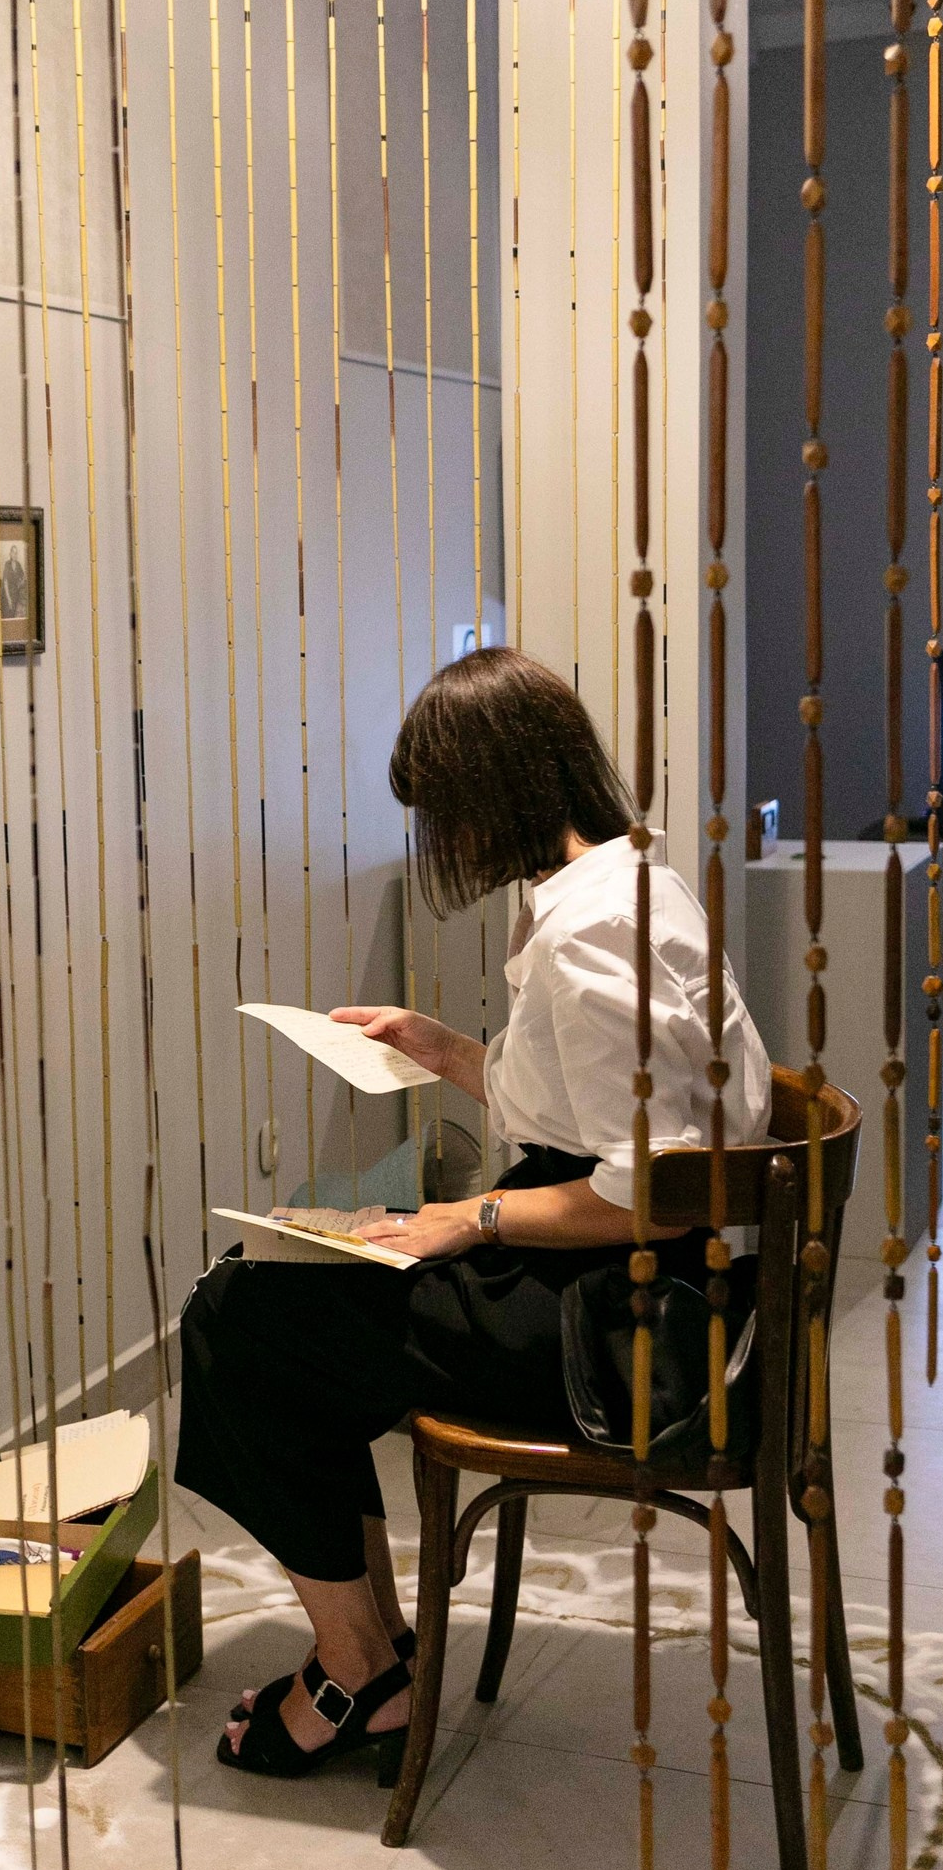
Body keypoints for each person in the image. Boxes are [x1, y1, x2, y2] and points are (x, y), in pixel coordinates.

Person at [176, 645, 772, 1786]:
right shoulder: (628, 884)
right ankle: (374, 1651)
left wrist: (472, 1220)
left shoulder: (590, 932)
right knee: (269, 1297)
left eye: (440, 812)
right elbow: (591, 1109)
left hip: (617, 1327)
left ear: (492, 796)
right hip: (623, 1282)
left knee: (239, 1322)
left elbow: (652, 1191)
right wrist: (441, 1047)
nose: (438, 839)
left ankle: (358, 1670)